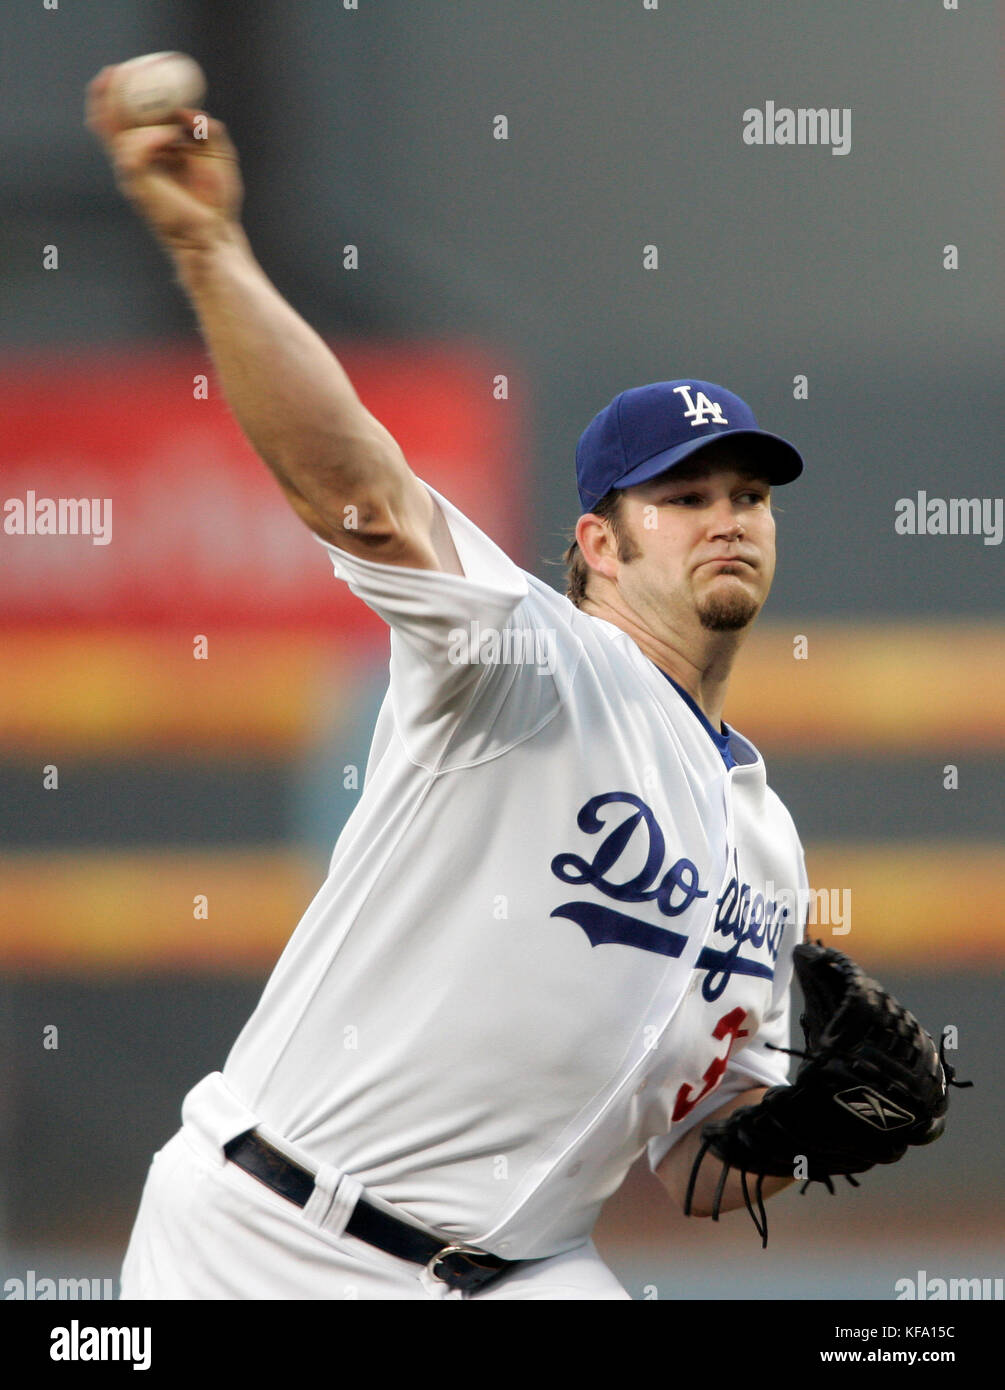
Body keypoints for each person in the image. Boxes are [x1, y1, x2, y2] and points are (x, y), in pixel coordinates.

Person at [88, 68, 810, 1302]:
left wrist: (811, 1131)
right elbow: (357, 490)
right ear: (598, 543)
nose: (725, 518)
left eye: (745, 494)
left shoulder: (770, 845)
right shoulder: (525, 664)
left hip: (527, 1273)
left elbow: (690, 1166)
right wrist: (210, 248)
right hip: (272, 1236)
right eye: (682, 498)